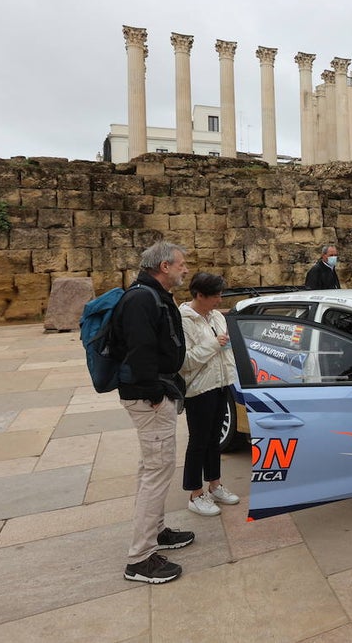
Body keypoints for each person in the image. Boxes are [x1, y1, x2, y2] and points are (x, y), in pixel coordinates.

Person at [115, 241, 193, 584]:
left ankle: (157, 531)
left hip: (155, 393)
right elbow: (140, 349)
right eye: (181, 264)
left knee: (153, 466)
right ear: (164, 266)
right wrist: (153, 393)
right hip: (149, 398)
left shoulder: (150, 294)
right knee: (157, 471)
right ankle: (140, 558)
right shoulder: (141, 299)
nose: (185, 269)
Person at [178, 272, 241, 517]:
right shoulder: (184, 320)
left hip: (221, 384)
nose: (219, 299)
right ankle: (195, 493)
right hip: (199, 388)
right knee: (198, 441)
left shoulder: (215, 316)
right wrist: (215, 343)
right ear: (199, 295)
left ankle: (215, 484)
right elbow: (185, 361)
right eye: (215, 295)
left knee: (215, 439)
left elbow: (225, 350)